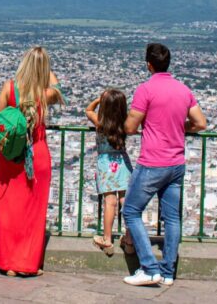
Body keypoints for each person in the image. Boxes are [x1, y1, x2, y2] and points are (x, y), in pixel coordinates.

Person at [121, 43, 207, 288]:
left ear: (149, 64)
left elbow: (129, 127)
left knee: (131, 211)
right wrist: (181, 127)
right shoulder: (183, 90)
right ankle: (168, 271)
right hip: (176, 162)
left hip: (152, 162)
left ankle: (149, 267)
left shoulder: (145, 90)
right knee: (172, 218)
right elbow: (200, 123)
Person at [0, 46, 63, 277]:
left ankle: (5, 261)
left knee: (8, 210)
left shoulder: (9, 88)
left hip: (10, 157)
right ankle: (24, 263)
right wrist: (46, 71)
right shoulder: (44, 93)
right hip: (35, 155)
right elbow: (58, 89)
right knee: (31, 213)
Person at [85, 88, 131, 255]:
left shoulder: (100, 123)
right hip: (123, 163)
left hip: (105, 164)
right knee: (126, 201)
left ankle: (107, 239)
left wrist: (99, 100)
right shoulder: (125, 125)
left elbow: (88, 110)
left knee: (109, 202)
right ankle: (130, 239)